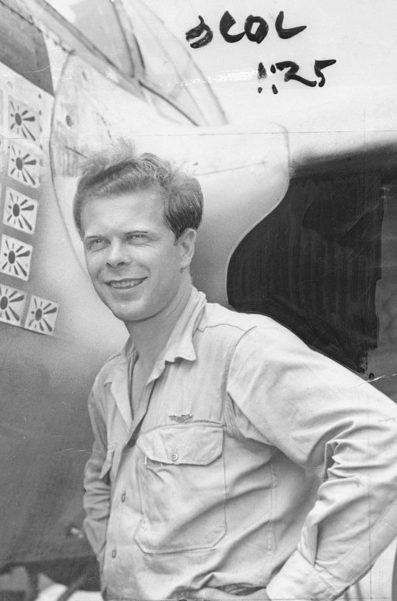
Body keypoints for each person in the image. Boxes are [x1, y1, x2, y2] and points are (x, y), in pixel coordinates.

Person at [76, 144, 397, 601]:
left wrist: (287, 595)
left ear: (185, 247)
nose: (115, 258)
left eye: (138, 238)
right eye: (97, 242)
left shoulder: (242, 350)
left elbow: (383, 444)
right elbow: (100, 486)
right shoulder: (109, 383)